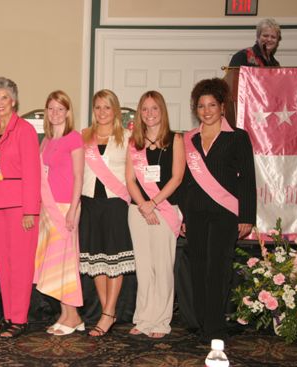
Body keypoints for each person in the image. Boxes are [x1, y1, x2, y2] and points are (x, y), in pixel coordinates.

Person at [182, 78, 256, 341]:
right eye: (201, 106)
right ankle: (201, 324)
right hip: (195, 213)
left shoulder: (237, 137)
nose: (206, 110)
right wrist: (182, 214)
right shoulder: (188, 139)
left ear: (222, 107)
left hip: (225, 213)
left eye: (211, 104)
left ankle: (215, 328)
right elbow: (185, 180)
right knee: (199, 269)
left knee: (219, 270)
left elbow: (247, 177)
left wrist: (247, 215)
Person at [0, 77, 41, 338]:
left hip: (20, 206)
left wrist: (31, 210)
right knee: (4, 264)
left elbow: (32, 172)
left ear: (14, 100)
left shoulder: (25, 130)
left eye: (4, 97)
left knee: (20, 264)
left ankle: (19, 318)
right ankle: (8, 314)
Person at [125, 91, 185, 339]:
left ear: (162, 111)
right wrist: (143, 205)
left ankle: (161, 321)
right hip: (138, 210)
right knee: (144, 267)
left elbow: (177, 177)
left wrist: (154, 203)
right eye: (145, 109)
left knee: (162, 266)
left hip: (165, 208)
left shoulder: (176, 139)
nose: (149, 114)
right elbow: (129, 179)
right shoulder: (133, 142)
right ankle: (143, 317)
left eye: (154, 109)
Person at [79, 89, 135, 337]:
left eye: (107, 107)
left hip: (115, 205)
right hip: (90, 204)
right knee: (96, 260)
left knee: (114, 260)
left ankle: (109, 312)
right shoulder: (84, 136)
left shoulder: (128, 137)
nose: (102, 112)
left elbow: (135, 174)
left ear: (116, 110)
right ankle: (106, 310)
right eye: (98, 107)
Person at [34, 90, 85, 336]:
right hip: (48, 209)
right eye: (51, 108)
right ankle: (66, 314)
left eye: (60, 109)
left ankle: (73, 315)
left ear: (68, 112)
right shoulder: (45, 141)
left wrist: (72, 210)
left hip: (66, 208)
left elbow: (79, 177)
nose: (55, 113)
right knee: (56, 264)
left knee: (66, 262)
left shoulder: (74, 138)